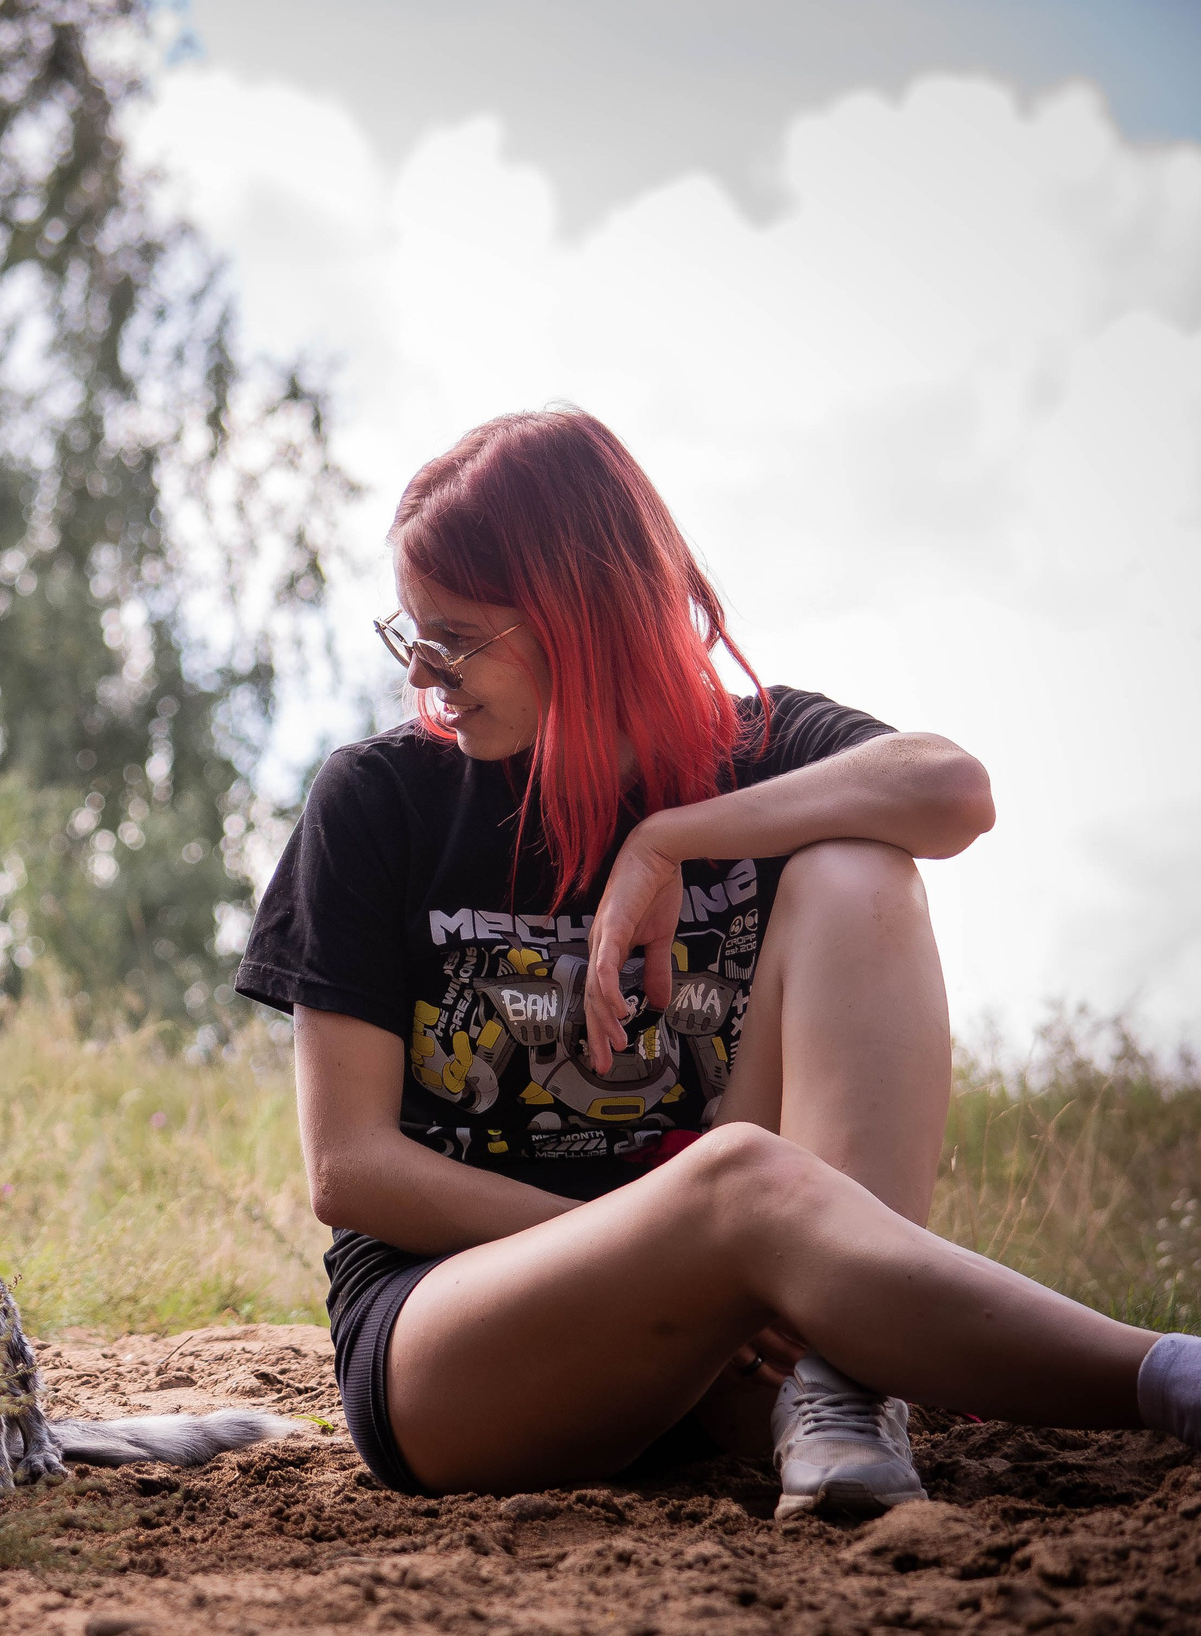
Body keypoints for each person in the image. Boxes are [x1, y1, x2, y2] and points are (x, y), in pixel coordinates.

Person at [238, 407, 1201, 1515]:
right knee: (736, 1180)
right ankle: (1169, 1375)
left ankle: (840, 1389)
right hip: (462, 1342)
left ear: (577, 616)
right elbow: (348, 1170)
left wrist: (670, 838)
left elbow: (952, 791)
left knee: (860, 867)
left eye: (457, 637)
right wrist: (684, 1243)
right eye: (411, 632)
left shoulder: (751, 749)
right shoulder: (379, 798)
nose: (427, 671)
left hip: (747, 1346)